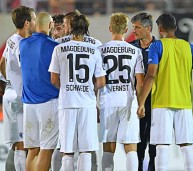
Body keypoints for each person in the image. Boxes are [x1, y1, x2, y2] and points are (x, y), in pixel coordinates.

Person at [137, 13, 193, 171]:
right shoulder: (189, 47)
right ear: (176, 28)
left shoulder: (157, 46)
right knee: (186, 147)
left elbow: (151, 75)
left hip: (161, 103)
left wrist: (142, 102)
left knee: (162, 146)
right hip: (184, 103)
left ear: (160, 29)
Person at [49, 14, 106, 171]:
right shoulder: (94, 50)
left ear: (70, 27)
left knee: (67, 150)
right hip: (87, 104)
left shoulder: (59, 48)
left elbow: (54, 79)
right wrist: (88, 90)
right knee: (86, 150)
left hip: (67, 103)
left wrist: (68, 88)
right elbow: (101, 82)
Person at [98, 12, 144, 171]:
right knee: (131, 146)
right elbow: (140, 82)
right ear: (126, 30)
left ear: (110, 28)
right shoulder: (135, 51)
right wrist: (141, 103)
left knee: (108, 147)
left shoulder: (100, 50)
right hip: (128, 101)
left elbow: (97, 79)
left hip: (107, 102)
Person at [19, 12, 58, 171]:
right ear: (50, 25)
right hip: (47, 103)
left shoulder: (23, 44)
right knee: (46, 150)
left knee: (32, 150)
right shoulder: (54, 47)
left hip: (28, 103)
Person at [0, 6, 36, 171]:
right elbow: (27, 67)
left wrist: (8, 82)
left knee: (17, 143)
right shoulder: (23, 44)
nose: (35, 23)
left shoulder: (11, 40)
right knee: (22, 144)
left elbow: (2, 64)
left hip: (10, 94)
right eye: (34, 19)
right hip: (20, 97)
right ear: (27, 22)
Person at [129, 12, 156, 171]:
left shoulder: (159, 46)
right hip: (137, 101)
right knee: (138, 143)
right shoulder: (131, 48)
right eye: (133, 27)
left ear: (148, 28)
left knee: (154, 144)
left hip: (155, 101)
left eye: (138, 27)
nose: (134, 31)